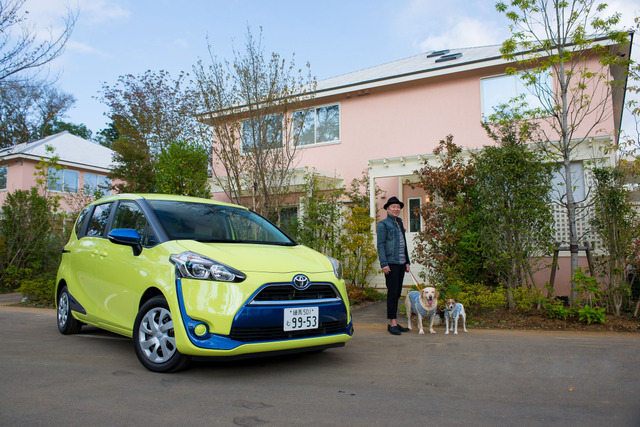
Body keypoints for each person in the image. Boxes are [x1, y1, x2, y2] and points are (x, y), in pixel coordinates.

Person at [376, 196, 411, 335]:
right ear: (387, 209)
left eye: (398, 207)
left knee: (397, 294)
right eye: (393, 207)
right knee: (392, 294)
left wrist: (407, 261)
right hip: (391, 264)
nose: (396, 209)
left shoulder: (399, 223)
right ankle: (392, 323)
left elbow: (404, 244)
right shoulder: (383, 225)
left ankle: (394, 321)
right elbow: (380, 245)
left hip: (401, 263)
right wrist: (384, 264)